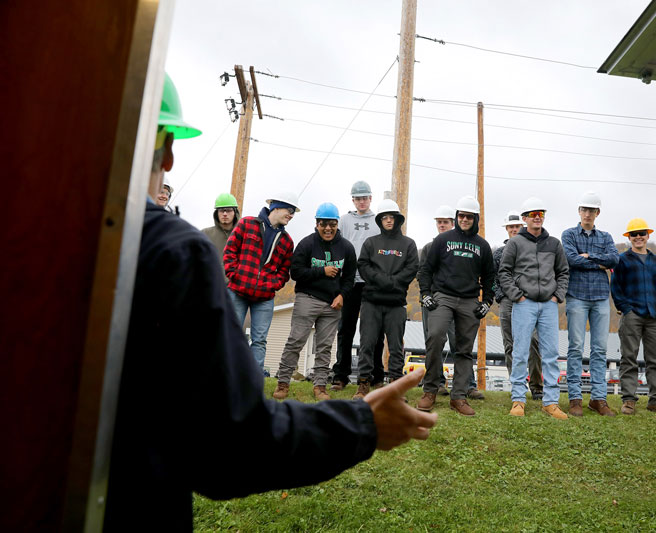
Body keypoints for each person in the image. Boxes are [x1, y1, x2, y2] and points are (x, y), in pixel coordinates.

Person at [105, 74, 437, 530]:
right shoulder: (167, 249)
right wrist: (361, 425)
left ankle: (301, 380)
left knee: (273, 343)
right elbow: (230, 446)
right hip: (131, 508)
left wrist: (335, 287)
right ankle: (280, 381)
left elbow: (298, 268)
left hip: (319, 303)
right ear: (167, 149)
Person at [416, 196, 495, 416]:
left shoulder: (483, 245)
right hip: (443, 297)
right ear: (457, 217)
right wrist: (426, 294)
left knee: (464, 349)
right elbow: (425, 270)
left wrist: (487, 301)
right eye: (461, 216)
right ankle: (430, 390)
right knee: (435, 337)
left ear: (475, 218)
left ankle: (458, 396)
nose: (464, 220)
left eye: (469, 216)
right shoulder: (443, 241)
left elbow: (490, 277)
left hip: (470, 301)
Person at [273, 203, 357, 401]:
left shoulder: (346, 247)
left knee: (325, 347)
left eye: (332, 224)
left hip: (332, 305)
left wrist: (342, 296)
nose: (328, 228)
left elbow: (350, 277)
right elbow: (296, 272)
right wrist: (322, 271)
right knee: (295, 342)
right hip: (307, 299)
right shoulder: (306, 244)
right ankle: (283, 383)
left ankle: (320, 386)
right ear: (317, 224)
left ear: (337, 224)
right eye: (323, 224)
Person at [497, 197, 569, 419]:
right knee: (519, 352)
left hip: (548, 305)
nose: (537, 217)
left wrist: (557, 296)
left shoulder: (554, 244)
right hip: (524, 304)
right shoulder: (515, 243)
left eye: (540, 213)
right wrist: (517, 296)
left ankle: (551, 402)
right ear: (525, 218)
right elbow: (504, 272)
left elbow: (563, 272)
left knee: (550, 354)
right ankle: (518, 400)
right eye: (532, 214)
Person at [223, 191, 297, 374]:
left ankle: (253, 377)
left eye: (293, 212)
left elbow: (284, 272)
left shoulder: (287, 241)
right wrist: (234, 274)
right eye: (289, 210)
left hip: (264, 297)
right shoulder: (247, 223)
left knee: (259, 339)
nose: (292, 215)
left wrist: (272, 285)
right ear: (276, 207)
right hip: (237, 290)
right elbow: (230, 251)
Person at [352, 200, 419, 399]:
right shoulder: (371, 242)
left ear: (398, 220)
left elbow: (412, 268)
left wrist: (392, 282)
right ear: (380, 220)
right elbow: (363, 265)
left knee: (396, 346)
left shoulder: (408, 244)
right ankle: (363, 383)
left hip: (396, 303)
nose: (389, 221)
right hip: (371, 301)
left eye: (392, 217)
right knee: (367, 343)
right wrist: (382, 280)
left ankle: (397, 387)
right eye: (385, 218)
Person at [561, 191, 619, 417]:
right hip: (576, 296)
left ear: (597, 213)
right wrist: (598, 261)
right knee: (575, 347)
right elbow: (571, 259)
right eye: (584, 210)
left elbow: (614, 259)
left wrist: (587, 257)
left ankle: (599, 399)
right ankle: (575, 398)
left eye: (591, 210)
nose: (587, 214)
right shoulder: (569, 234)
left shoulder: (605, 236)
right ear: (579, 211)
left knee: (600, 349)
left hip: (601, 298)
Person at [610, 218, 656, 418]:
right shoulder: (621, 260)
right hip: (632, 315)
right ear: (629, 238)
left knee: (655, 360)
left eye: (641, 233)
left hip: (655, 315)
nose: (638, 237)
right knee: (629, 358)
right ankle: (628, 400)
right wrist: (625, 309)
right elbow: (616, 287)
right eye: (634, 234)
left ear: (648, 235)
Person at [331, 181, 386, 391]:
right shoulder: (344, 220)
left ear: (371, 198)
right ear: (353, 200)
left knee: (374, 332)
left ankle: (376, 374)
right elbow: (337, 247)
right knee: (345, 328)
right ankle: (341, 375)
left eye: (365, 197)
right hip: (349, 282)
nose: (362, 201)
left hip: (372, 282)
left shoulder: (379, 221)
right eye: (358, 198)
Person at [494, 210, 543, 400]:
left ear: (522, 227)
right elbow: (493, 278)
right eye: (511, 227)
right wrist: (500, 296)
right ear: (506, 229)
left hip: (529, 300)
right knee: (510, 345)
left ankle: (537, 386)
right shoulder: (498, 253)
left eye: (517, 226)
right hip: (507, 301)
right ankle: (518, 386)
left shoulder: (532, 248)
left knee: (533, 342)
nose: (514, 229)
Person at [201, 192, 239, 266]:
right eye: (221, 210)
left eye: (228, 210)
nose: (225, 214)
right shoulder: (205, 234)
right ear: (216, 213)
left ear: (235, 212)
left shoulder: (242, 236)